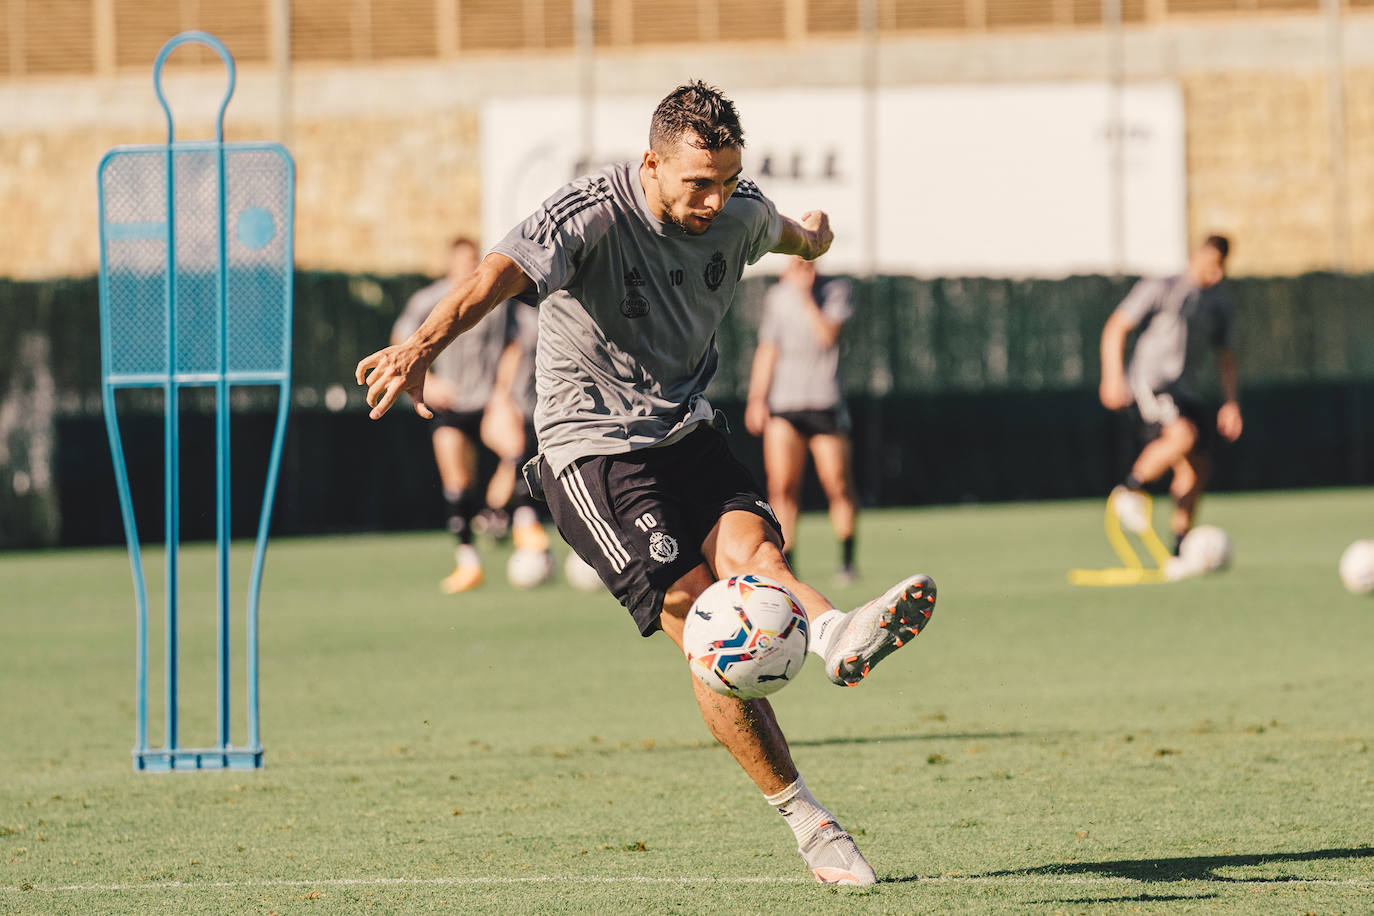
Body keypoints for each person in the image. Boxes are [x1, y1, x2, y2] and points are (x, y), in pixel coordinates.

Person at [357, 81, 936, 886]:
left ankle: (834, 633)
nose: (715, 199)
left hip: (686, 429)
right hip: (590, 451)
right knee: (707, 626)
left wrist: (815, 238)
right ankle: (811, 825)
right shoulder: (589, 213)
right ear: (651, 165)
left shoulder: (739, 209)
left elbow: (792, 236)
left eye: (728, 180)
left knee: (759, 557)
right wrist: (420, 347)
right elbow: (496, 274)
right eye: (699, 183)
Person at [1099, 235, 1243, 553]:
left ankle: (1179, 550)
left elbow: (1226, 356)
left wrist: (1231, 403)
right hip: (1151, 382)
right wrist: (1112, 377)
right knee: (1183, 435)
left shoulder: (1219, 302)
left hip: (1185, 389)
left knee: (1198, 467)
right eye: (1212, 264)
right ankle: (1130, 490)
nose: (1216, 273)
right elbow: (1116, 327)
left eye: (1222, 267)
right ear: (1198, 255)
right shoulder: (1161, 287)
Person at [391, 237, 515, 594]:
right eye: (461, 261)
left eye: (473, 260)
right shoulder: (428, 300)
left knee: (515, 452)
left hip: (487, 402)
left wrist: (503, 391)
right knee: (457, 484)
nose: (468, 267)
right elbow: (402, 342)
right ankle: (468, 562)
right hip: (450, 405)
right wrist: (429, 381)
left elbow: (513, 345)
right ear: (449, 265)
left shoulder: (494, 297)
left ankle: (500, 516)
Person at [745, 256, 859, 583]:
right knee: (782, 487)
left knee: (837, 484)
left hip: (825, 402)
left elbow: (828, 337)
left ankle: (847, 561)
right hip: (785, 405)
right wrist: (757, 398)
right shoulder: (777, 296)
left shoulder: (837, 290)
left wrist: (806, 295)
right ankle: (787, 565)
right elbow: (768, 348)